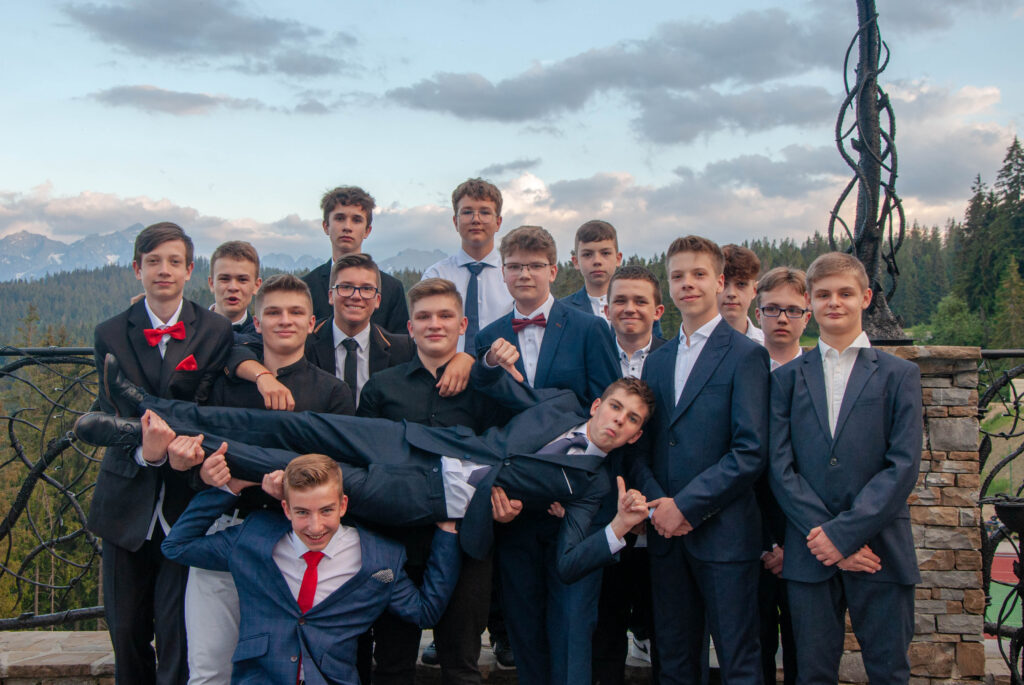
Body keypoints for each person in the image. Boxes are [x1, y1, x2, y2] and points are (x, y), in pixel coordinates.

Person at [181, 274, 354, 684]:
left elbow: (340, 473)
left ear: (312, 323)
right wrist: (206, 476)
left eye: (295, 312)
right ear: (256, 324)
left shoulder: (333, 393)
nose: (285, 320)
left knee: (284, 668)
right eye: (273, 312)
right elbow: (196, 470)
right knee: (209, 667)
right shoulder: (224, 388)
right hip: (226, 529)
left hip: (295, 541)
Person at [161, 453, 461, 685]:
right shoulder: (254, 538)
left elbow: (423, 611)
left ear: (343, 505)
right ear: (286, 509)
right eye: (303, 512)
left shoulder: (380, 557)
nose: (315, 527)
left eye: (326, 510)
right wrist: (229, 488)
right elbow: (177, 546)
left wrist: (447, 534)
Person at [88, 221, 234, 685]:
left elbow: (210, 411)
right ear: (138, 269)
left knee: (178, 633)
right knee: (126, 629)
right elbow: (111, 411)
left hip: (185, 498)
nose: (164, 270)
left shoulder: (215, 331)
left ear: (190, 270)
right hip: (125, 500)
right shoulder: (111, 332)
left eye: (174, 262)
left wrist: (174, 451)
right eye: (153, 262)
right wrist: (147, 453)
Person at [473, 224, 619, 684]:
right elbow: (485, 426)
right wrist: (493, 492)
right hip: (515, 511)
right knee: (524, 628)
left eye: (535, 266)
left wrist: (583, 494)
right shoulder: (488, 338)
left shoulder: (590, 329)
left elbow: (608, 415)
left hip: (572, 508)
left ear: (554, 271)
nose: (524, 274)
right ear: (502, 272)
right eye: (514, 266)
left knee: (573, 628)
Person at [769, 253, 922, 685]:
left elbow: (903, 465)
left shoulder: (899, 375)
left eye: (845, 293)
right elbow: (780, 467)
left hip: (880, 549)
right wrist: (825, 536)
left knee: (889, 670)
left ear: (866, 298)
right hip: (809, 551)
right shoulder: (785, 380)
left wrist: (844, 535)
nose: (834, 302)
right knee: (812, 672)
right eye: (823, 295)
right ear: (809, 301)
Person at [634, 235, 770, 685]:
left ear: (720, 282)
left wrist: (686, 507)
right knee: (674, 659)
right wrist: (659, 506)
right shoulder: (657, 360)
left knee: (738, 659)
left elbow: (749, 451)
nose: (687, 283)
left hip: (724, 536)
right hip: (665, 536)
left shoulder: (747, 355)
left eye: (698, 274)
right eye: (677, 276)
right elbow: (645, 446)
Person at [357, 278, 506, 685]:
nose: (434, 324)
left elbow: (503, 456)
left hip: (466, 543)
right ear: (410, 327)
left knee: (461, 664)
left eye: (445, 315)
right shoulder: (381, 387)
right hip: (395, 544)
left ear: (463, 324)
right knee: (392, 662)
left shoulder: (485, 390)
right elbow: (364, 460)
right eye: (423, 317)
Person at [592, 265, 666, 685]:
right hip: (603, 514)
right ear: (606, 308)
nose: (629, 308)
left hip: (663, 511)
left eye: (640, 300)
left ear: (658, 310)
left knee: (666, 631)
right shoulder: (592, 353)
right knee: (605, 631)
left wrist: (655, 504)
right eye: (620, 300)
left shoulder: (674, 358)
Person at [752, 266, 811, 685]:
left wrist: (795, 544)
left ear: (807, 316)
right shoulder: (740, 372)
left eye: (792, 310)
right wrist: (765, 543)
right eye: (772, 309)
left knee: (804, 652)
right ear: (758, 314)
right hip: (750, 535)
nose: (782, 318)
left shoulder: (819, 377)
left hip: (807, 539)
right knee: (753, 650)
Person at [305, 253, 415, 404]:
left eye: (366, 288)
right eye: (346, 287)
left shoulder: (402, 350)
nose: (356, 296)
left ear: (378, 300)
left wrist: (452, 364)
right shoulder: (304, 344)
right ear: (331, 296)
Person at [422, 178, 514, 355]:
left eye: (485, 212)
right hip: (447, 369)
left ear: (498, 222)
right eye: (467, 212)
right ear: (455, 222)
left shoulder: (514, 274)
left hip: (504, 368)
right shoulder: (436, 275)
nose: (476, 219)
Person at [302, 185, 409, 333]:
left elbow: (400, 342)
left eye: (356, 220)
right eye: (340, 218)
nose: (347, 227)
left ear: (367, 231)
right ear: (326, 226)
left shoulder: (391, 289)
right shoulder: (306, 287)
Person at [560, 220, 623, 324]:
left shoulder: (636, 307)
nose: (597, 261)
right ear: (576, 262)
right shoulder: (561, 311)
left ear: (618, 258)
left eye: (605, 253)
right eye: (587, 254)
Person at [207, 241, 262, 340]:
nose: (233, 287)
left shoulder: (264, 339)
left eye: (242, 280)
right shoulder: (187, 331)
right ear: (211, 284)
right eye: (224, 279)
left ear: (256, 286)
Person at [718, 244, 764, 344]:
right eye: (724, 284)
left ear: (754, 290)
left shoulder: (767, 346)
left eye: (741, 284)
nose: (731, 293)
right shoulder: (692, 344)